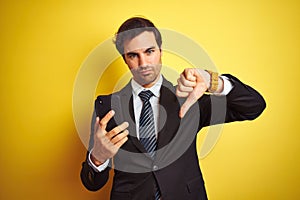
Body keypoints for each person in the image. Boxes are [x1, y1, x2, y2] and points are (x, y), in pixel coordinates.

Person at [80, 17, 266, 200]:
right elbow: (92, 183)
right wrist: (98, 157)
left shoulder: (189, 97)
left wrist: (212, 82)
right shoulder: (107, 106)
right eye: (133, 55)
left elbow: (254, 106)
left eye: (149, 51)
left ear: (160, 52)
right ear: (125, 59)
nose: (143, 63)